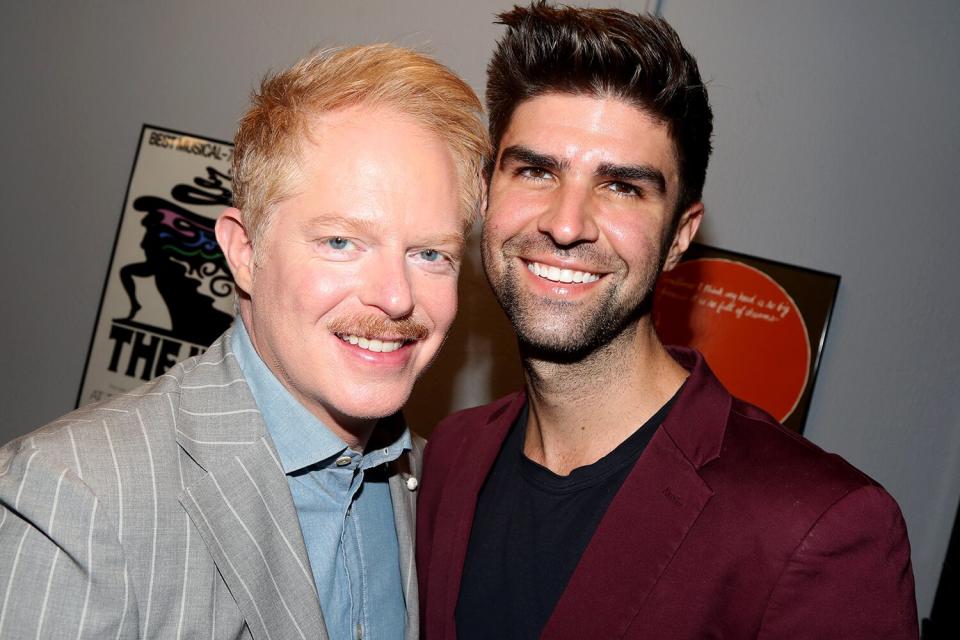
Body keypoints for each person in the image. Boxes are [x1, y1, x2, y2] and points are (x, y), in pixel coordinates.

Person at [416, 4, 919, 638]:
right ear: (488, 194)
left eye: (623, 186)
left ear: (680, 236)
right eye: (537, 171)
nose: (566, 224)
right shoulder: (451, 456)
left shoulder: (819, 527)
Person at [0, 44, 487, 640]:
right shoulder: (77, 493)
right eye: (340, 242)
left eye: (430, 254)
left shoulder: (436, 484)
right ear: (245, 253)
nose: (394, 297)